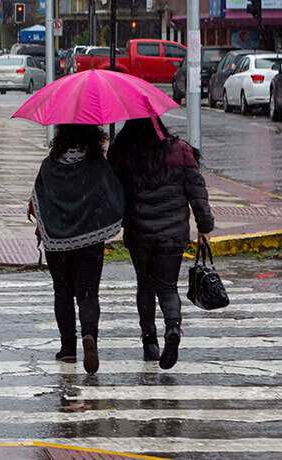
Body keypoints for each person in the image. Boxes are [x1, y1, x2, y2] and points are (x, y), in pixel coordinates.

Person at [107, 118, 214, 370]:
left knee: (145, 285)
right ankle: (173, 328)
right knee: (168, 287)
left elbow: (113, 191)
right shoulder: (181, 151)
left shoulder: (123, 154)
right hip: (172, 233)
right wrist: (204, 226)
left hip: (138, 232)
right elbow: (197, 191)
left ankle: (150, 343)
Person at [29, 124, 124, 375]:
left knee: (62, 292)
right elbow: (113, 196)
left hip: (57, 243)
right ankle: (89, 333)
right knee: (88, 292)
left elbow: (37, 199)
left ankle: (68, 348)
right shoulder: (97, 164)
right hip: (90, 241)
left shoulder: (49, 165)